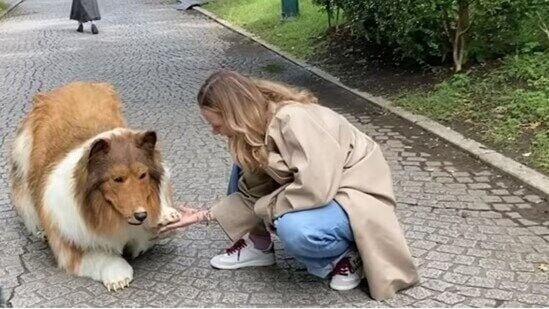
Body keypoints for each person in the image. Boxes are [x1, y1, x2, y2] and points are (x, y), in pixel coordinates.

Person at [160, 70, 419, 300]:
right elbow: (252, 193)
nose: (214, 130)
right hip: (324, 191)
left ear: (235, 113)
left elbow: (315, 189)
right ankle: (258, 243)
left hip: (354, 193)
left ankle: (347, 255)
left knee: (295, 229)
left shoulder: (294, 120)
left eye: (214, 122)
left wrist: (268, 210)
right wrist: (205, 215)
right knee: (243, 165)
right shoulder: (253, 131)